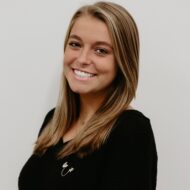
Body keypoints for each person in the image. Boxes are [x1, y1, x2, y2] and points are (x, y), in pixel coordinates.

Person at [18, 1, 157, 190]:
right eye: (75, 44)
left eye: (101, 50)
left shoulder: (131, 131)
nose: (82, 59)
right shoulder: (54, 120)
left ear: (123, 61)